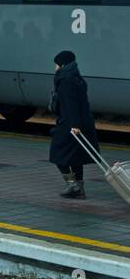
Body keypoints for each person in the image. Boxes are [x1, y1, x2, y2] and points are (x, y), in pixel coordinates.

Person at [49, 50, 98, 199]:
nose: (55, 68)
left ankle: (73, 185)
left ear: (62, 65)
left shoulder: (66, 82)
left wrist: (74, 125)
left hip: (70, 123)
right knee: (76, 156)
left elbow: (72, 106)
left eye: (56, 64)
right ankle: (79, 188)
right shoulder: (77, 78)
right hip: (81, 122)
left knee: (57, 153)